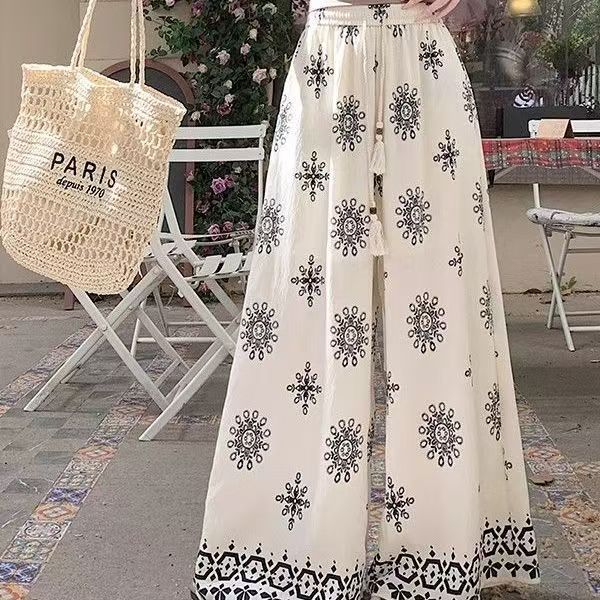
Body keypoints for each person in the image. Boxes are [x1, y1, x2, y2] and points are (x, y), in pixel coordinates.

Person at [193, 1, 540, 599]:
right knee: (306, 311)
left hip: (423, 61)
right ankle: (294, 547)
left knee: (439, 311)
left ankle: (441, 546)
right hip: (331, 62)